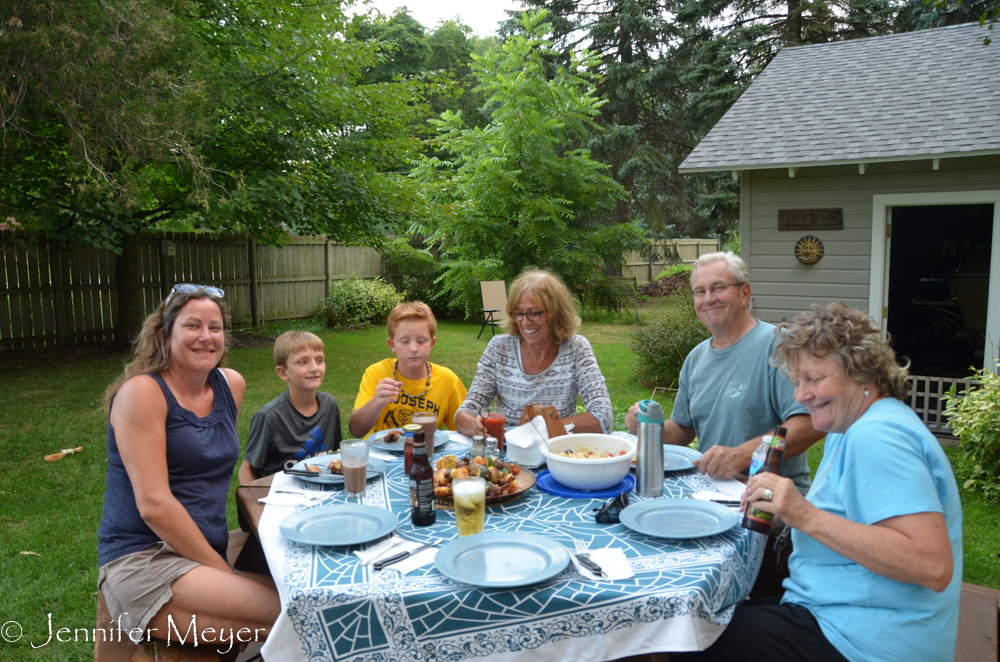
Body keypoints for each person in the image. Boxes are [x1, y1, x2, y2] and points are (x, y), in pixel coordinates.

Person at [675, 303, 962, 662]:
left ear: (861, 372)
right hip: (840, 613)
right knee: (710, 612)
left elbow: (932, 566)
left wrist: (804, 514)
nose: (800, 395)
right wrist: (783, 512)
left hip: (865, 641)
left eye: (815, 379)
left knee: (683, 638)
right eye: (796, 382)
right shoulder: (853, 426)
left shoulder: (878, 437)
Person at [97, 284, 279, 647]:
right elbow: (155, 506)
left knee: (309, 597)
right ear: (164, 333)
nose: (206, 337)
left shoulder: (231, 385)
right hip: (146, 559)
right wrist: (224, 572)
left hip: (203, 551)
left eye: (215, 327)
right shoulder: (142, 393)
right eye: (192, 326)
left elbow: (205, 466)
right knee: (302, 612)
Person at [625, 252, 823, 492]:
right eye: (700, 291)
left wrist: (740, 456)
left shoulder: (778, 347)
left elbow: (809, 423)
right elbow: (684, 429)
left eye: (718, 288)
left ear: (745, 294)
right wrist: (648, 428)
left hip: (770, 500)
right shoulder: (696, 358)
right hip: (711, 490)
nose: (708, 299)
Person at [456, 269, 613, 436]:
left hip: (556, 452)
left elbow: (603, 418)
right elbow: (464, 413)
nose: (524, 322)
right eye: (519, 313)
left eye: (533, 313)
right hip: (508, 454)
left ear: (555, 312)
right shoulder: (499, 347)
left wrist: (540, 429)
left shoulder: (575, 348)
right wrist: (474, 425)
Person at [349, 301, 468, 438]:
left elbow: (464, 428)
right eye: (405, 341)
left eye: (421, 341)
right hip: (380, 457)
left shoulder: (447, 380)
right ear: (392, 345)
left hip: (426, 455)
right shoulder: (377, 373)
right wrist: (376, 402)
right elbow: (356, 430)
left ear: (432, 343)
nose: (413, 349)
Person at [239, 330, 342, 483]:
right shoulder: (269, 417)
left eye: (319, 360)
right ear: (283, 373)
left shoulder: (329, 405)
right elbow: (247, 469)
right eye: (303, 362)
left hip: (319, 491)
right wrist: (256, 500)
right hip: (280, 496)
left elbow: (333, 455)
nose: (314, 367)